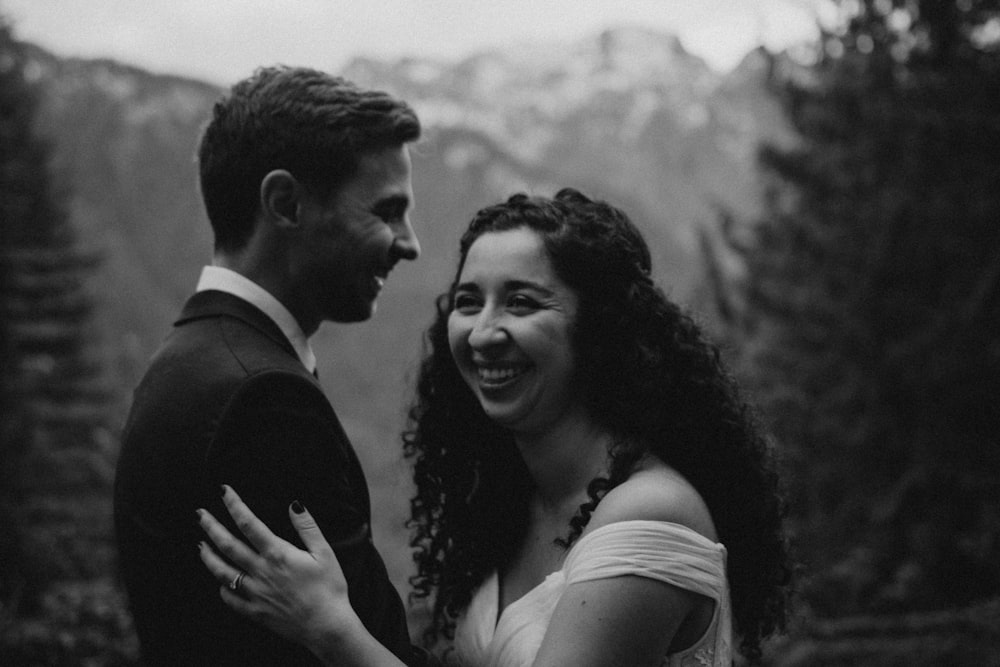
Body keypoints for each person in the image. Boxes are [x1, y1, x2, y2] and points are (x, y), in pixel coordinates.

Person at [197, 188, 791, 665]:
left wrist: (332, 629)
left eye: (522, 303)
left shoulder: (650, 513)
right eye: (467, 301)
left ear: (602, 329)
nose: (482, 333)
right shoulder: (513, 502)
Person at [113, 65, 436, 666]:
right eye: (387, 210)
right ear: (285, 203)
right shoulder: (265, 400)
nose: (409, 242)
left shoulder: (187, 359)